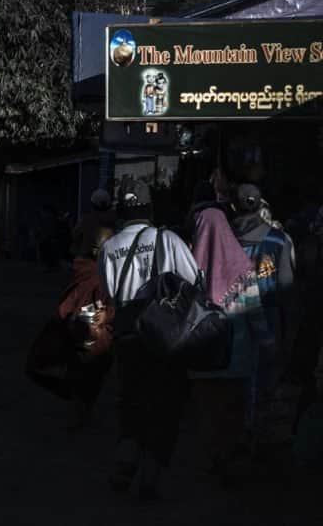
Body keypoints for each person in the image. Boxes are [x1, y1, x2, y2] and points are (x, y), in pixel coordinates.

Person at [98, 179, 198, 500]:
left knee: (131, 402)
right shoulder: (168, 240)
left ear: (121, 211)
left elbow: (109, 295)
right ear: (149, 208)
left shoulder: (109, 248)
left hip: (128, 337)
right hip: (165, 336)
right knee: (166, 407)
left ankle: (126, 461)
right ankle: (150, 479)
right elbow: (195, 279)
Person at [189, 207, 273, 482]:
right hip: (237, 359)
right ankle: (230, 460)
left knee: (208, 414)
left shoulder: (189, 271)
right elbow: (255, 314)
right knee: (233, 413)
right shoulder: (241, 268)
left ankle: (215, 460)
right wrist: (269, 343)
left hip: (202, 361)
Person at [230, 183, 298, 451]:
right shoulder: (279, 240)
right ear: (261, 206)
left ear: (234, 206)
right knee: (263, 377)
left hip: (231, 317)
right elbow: (286, 288)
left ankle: (234, 437)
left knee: (236, 379)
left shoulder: (224, 238)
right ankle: (255, 434)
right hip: (268, 318)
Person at [56, 224, 115, 427]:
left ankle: (79, 409)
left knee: (80, 374)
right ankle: (80, 412)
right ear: (99, 250)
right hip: (89, 329)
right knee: (90, 376)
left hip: (75, 327)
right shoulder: (96, 272)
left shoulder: (81, 268)